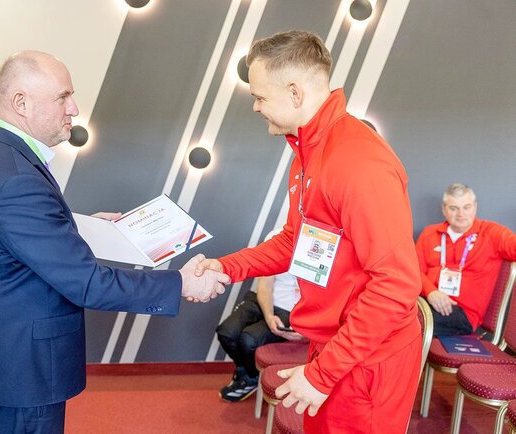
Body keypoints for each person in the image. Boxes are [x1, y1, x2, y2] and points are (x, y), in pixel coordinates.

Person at [0, 50, 230, 434]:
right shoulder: (17, 178)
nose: (74, 109)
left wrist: (82, 226)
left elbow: (9, 237)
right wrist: (180, 283)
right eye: (62, 97)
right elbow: (88, 283)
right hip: (20, 372)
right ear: (21, 103)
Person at [195, 30, 422, 433]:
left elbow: (396, 285)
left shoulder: (358, 162)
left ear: (295, 93)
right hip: (334, 343)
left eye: (260, 97)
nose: (256, 106)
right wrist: (225, 267)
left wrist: (322, 374)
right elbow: (295, 242)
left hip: (368, 356)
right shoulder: (307, 152)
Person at [415, 183, 516, 336]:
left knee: (408, 322)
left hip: (462, 314)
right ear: (444, 209)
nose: (461, 214)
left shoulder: (492, 233)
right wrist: (431, 292)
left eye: (466, 207)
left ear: (475, 207)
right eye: (453, 208)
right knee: (394, 309)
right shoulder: (429, 233)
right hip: (425, 302)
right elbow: (415, 271)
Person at [216, 228, 303, 402]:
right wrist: (269, 316)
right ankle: (250, 376)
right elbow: (265, 285)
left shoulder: (322, 242)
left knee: (248, 339)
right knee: (226, 332)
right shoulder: (277, 235)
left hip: (291, 308)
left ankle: (247, 378)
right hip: (262, 299)